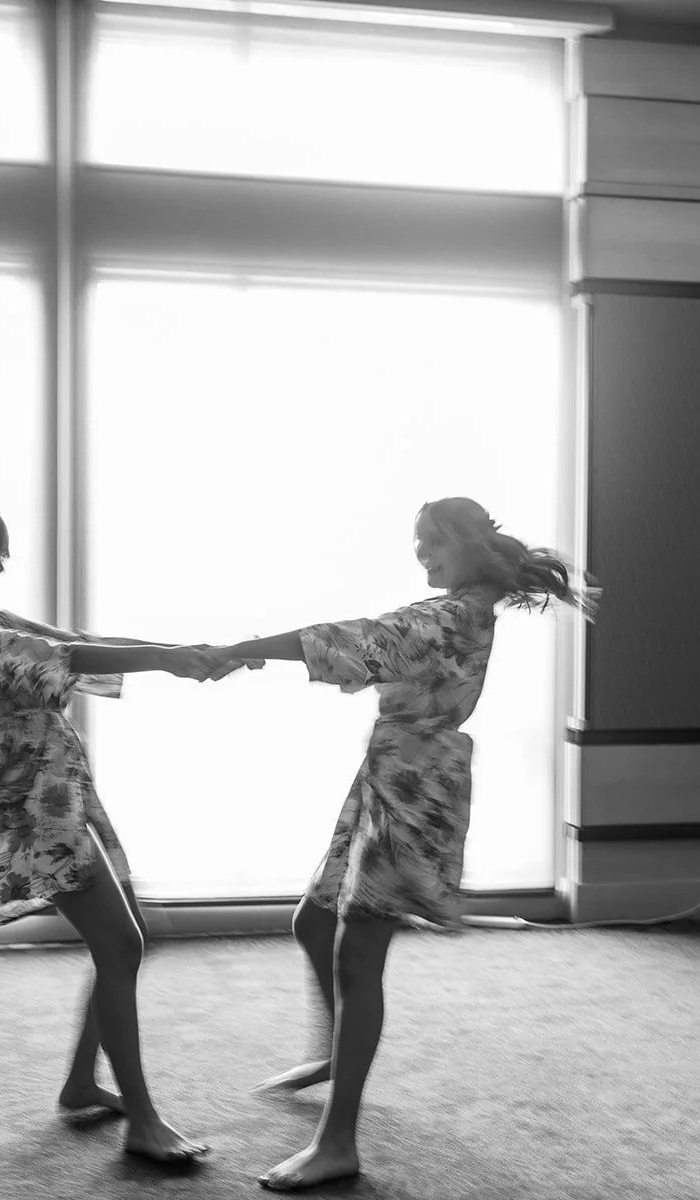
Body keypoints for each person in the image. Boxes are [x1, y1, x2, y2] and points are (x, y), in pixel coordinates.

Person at [203, 497, 598, 1191]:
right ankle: (332, 1054)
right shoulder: (458, 608)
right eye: (418, 543)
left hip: (417, 790)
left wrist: (242, 649)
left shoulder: (453, 616)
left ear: (469, 545)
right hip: (390, 774)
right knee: (314, 920)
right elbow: (366, 643)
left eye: (433, 542)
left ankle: (339, 1143)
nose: (422, 554)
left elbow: (355, 638)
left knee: (359, 956)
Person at [0, 497, 232, 1164]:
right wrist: (174, 661)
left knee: (128, 931)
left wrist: (186, 652)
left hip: (57, 783)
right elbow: (66, 655)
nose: (0, 566)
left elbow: (76, 639)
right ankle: (143, 1121)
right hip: (26, 800)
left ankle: (84, 1081)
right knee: (120, 943)